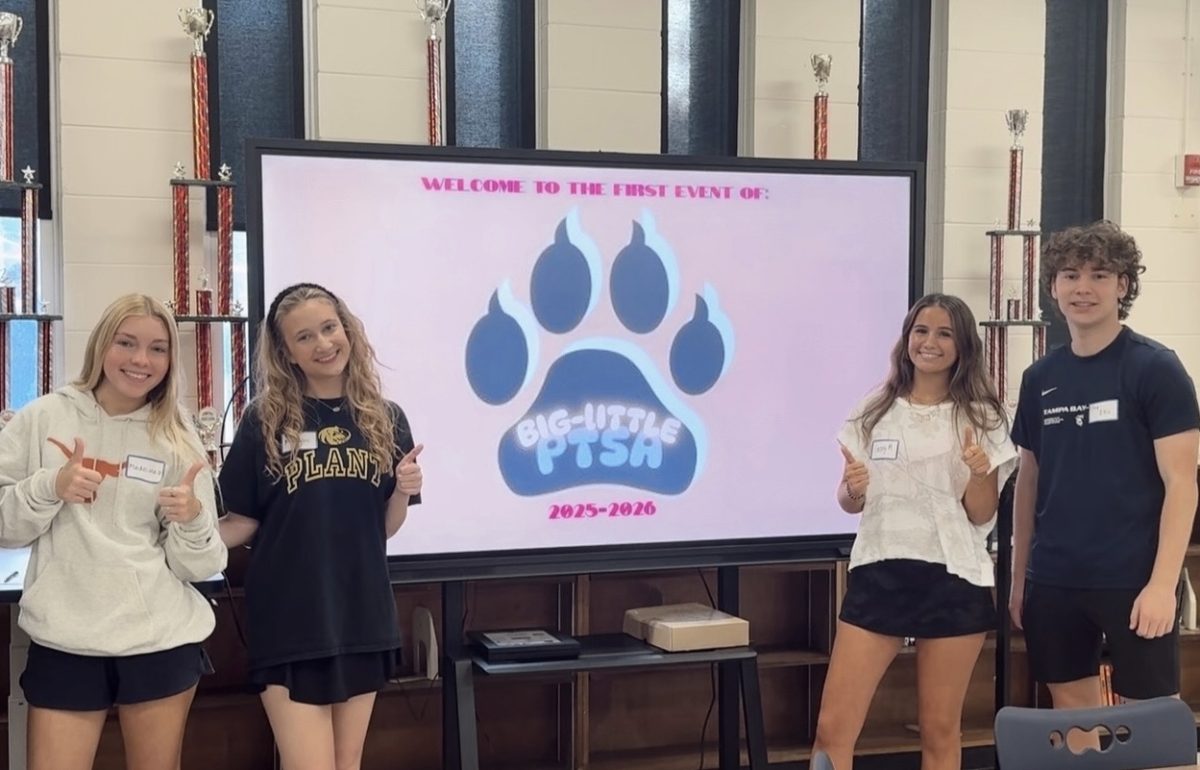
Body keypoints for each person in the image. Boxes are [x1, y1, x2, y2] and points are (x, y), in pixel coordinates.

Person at [0, 293, 226, 770]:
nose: (141, 360)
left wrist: (192, 520)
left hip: (160, 642)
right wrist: (51, 486)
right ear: (102, 345)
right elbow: (5, 528)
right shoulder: (43, 417)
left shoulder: (177, 435)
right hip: (66, 641)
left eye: (158, 348)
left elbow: (202, 566)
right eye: (127, 342)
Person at [218, 283, 423, 770]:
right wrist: (175, 539)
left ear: (347, 328)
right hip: (289, 618)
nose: (323, 343)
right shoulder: (263, 419)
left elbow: (385, 529)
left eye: (329, 328)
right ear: (286, 352)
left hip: (362, 613)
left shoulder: (386, 418)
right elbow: (241, 521)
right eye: (305, 337)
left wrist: (401, 489)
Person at [813, 293, 1016, 770]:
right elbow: (849, 503)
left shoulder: (983, 415)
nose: (930, 342)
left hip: (953, 577)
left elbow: (980, 514)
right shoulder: (875, 408)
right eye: (921, 331)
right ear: (907, 340)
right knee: (831, 728)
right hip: (879, 570)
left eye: (945, 333)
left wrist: (981, 471)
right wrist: (852, 488)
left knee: (940, 730)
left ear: (963, 346)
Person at [1010, 220, 1199, 708]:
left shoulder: (1155, 367)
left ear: (1123, 285)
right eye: (1070, 275)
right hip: (1054, 581)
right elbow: (1029, 481)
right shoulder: (1039, 378)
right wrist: (1019, 582)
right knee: (1074, 724)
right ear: (1053, 287)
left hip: (1133, 580)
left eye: (1099, 275)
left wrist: (1162, 586)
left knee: (1150, 728)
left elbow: (1182, 483)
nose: (1083, 288)